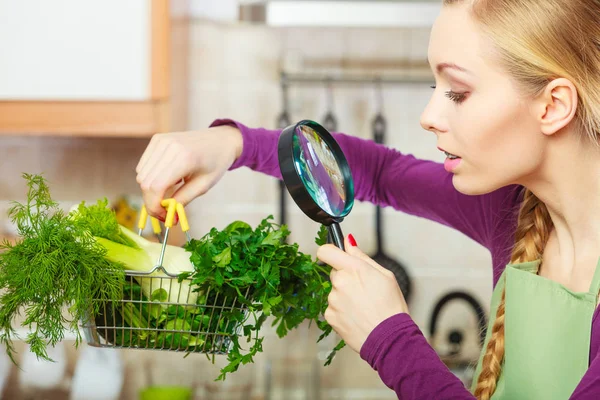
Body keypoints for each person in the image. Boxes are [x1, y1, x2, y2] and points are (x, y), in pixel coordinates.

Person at [135, 0, 600, 398]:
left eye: (457, 92)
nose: (429, 115)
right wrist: (231, 146)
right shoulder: (514, 210)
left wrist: (389, 339)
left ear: (553, 105)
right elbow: (381, 171)